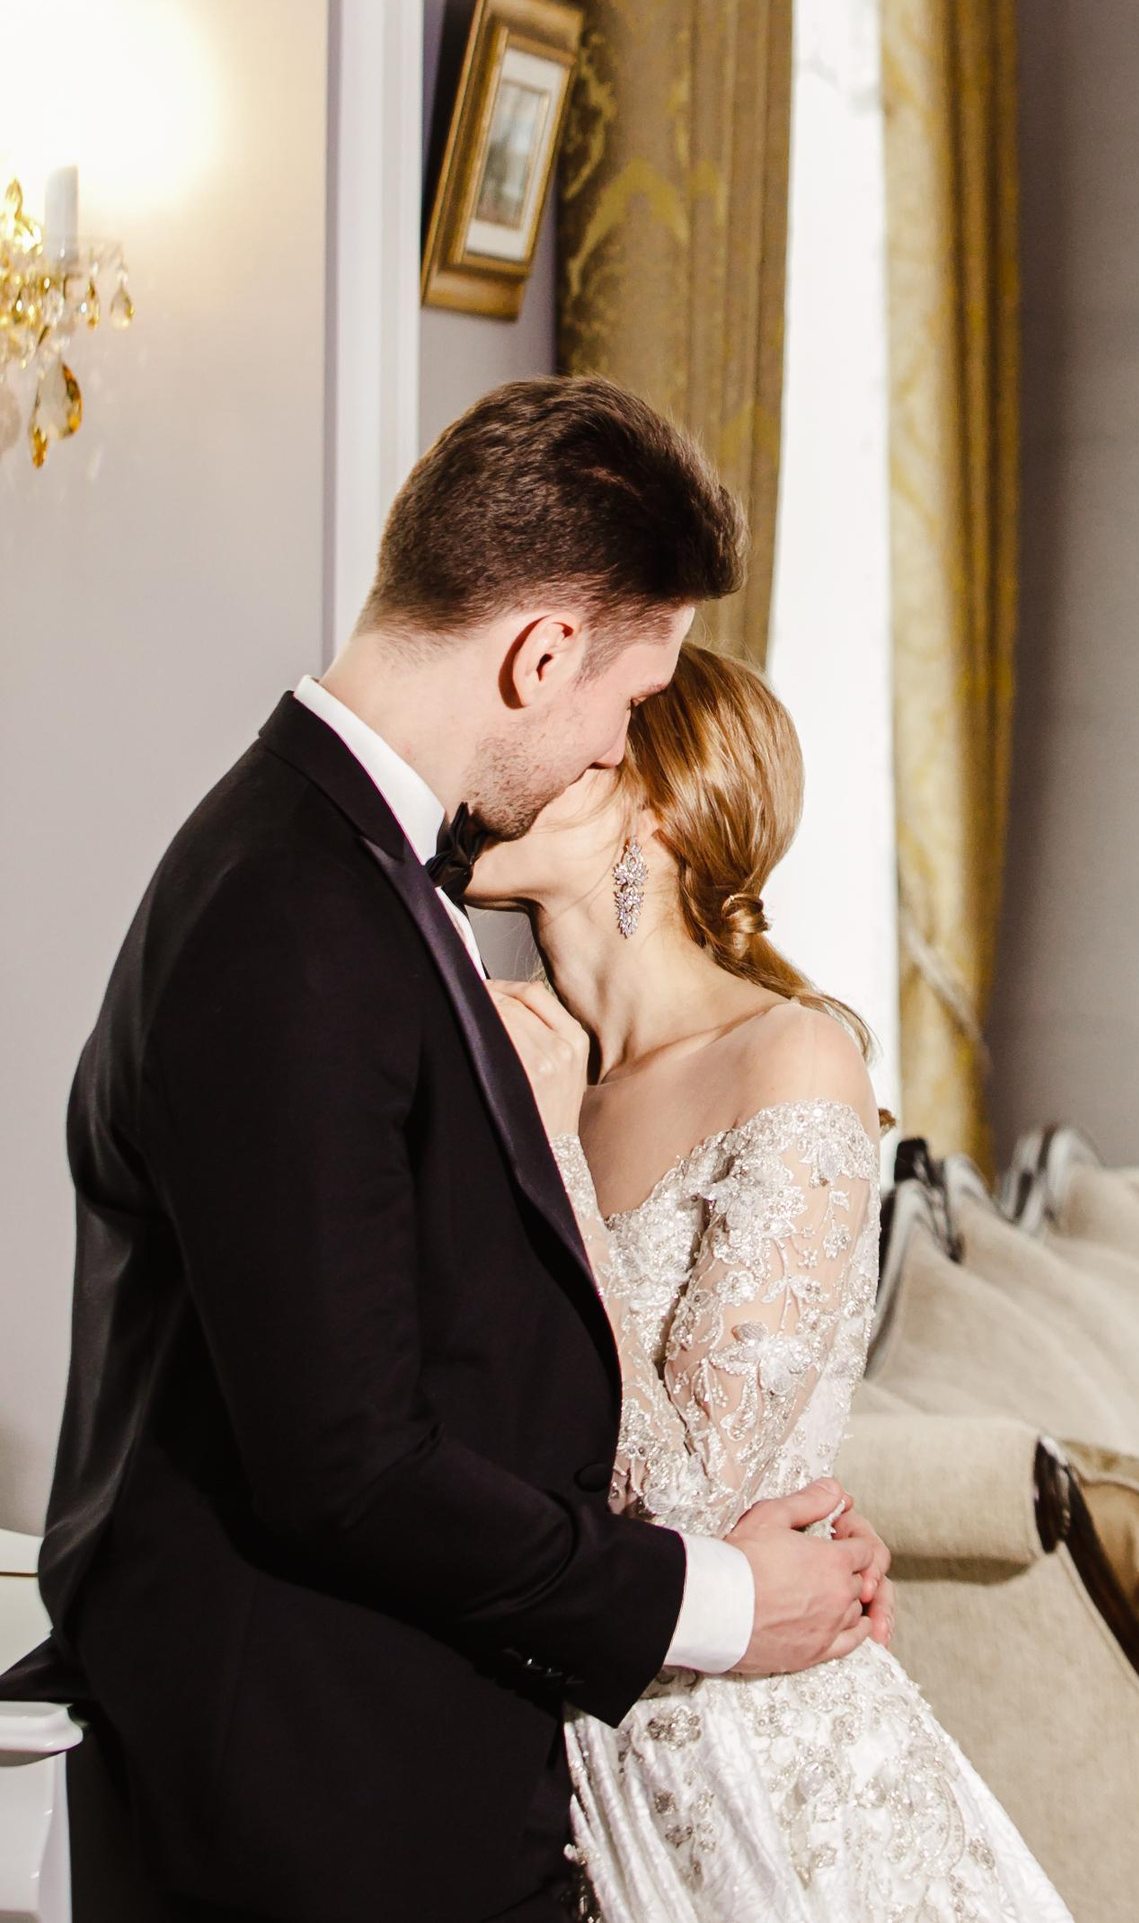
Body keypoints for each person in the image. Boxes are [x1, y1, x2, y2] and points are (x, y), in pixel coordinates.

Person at [6, 378, 893, 1923]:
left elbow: (448, 1360)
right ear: (542, 654)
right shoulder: (297, 913)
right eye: (628, 702)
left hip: (407, 1761)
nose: (620, 743)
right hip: (317, 1792)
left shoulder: (338, 876)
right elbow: (346, 1464)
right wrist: (726, 1598)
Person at [467, 643, 1074, 1923]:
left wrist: (556, 1159)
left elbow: (688, 1507)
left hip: (744, 1775)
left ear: (657, 805)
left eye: (569, 737)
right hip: (539, 1748)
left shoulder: (789, 1058)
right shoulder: (508, 1056)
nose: (496, 764)